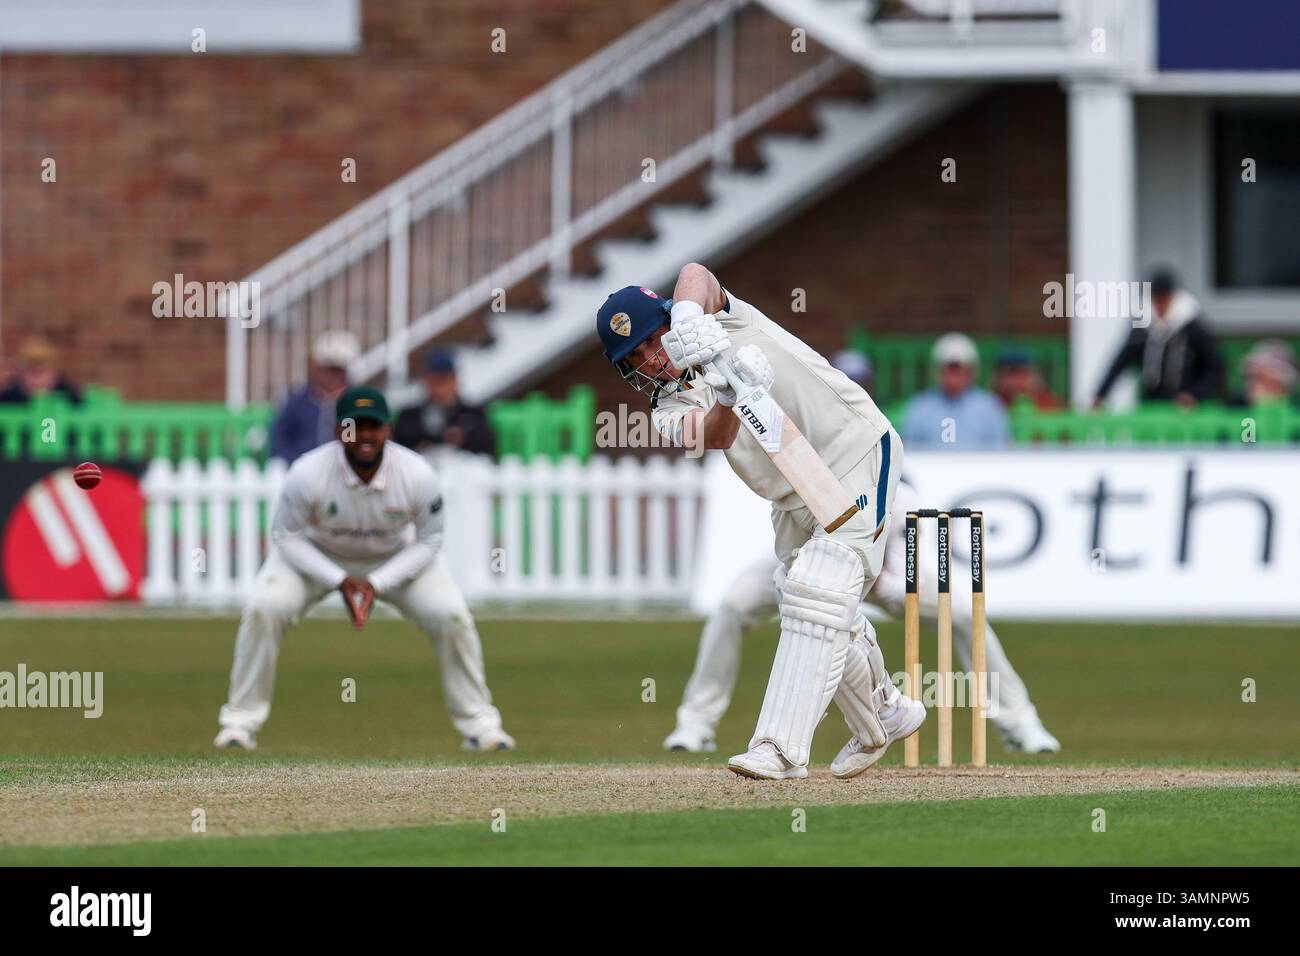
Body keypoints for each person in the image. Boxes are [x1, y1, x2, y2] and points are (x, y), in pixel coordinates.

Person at [595, 265, 922, 781]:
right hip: (794, 494)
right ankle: (884, 710)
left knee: (822, 584)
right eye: (634, 359)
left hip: (856, 449)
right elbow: (714, 436)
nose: (650, 360)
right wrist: (727, 395)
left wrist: (687, 316)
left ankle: (780, 749)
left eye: (649, 343)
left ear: (666, 323)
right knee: (804, 594)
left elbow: (695, 274)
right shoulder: (666, 406)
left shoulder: (721, 320)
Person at [663, 479, 1060, 757]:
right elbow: (791, 552)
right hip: (804, 572)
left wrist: (858, 588)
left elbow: (891, 572)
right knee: (732, 608)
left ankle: (1020, 723)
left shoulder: (898, 496)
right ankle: (696, 723)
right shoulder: (809, 479)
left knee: (962, 615)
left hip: (879, 580)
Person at [215, 385, 514, 752]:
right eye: (355, 426)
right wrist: (340, 581)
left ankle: (480, 726)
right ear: (339, 430)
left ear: (388, 429)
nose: (365, 436)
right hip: (317, 555)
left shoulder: (417, 474)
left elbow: (429, 542)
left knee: (451, 617)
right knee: (265, 608)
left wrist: (376, 583)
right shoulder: (307, 473)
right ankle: (238, 725)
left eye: (373, 426)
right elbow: (285, 535)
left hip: (394, 558)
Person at [1092, 269, 1224, 408]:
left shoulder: (1193, 326)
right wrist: (1101, 394)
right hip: (1153, 403)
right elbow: (1121, 361)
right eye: (1156, 300)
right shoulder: (1143, 326)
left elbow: (1215, 368)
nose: (1161, 306)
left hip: (1190, 408)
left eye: (1164, 300)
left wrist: (1195, 394)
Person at [902, 333, 1010, 449]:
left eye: (958, 368)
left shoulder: (990, 408)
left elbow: (1001, 454)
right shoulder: (920, 408)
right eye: (949, 368)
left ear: (971, 371)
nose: (953, 375)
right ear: (937, 370)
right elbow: (908, 453)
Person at [269, 330, 359, 464]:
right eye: (329, 369)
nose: (333, 376)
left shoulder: (357, 403)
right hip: (303, 470)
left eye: (338, 370)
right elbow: (279, 439)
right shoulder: (297, 400)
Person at [394, 349, 495, 456]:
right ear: (426, 381)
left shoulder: (474, 414)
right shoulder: (409, 416)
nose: (439, 388)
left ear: (455, 381)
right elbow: (399, 443)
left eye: (444, 380)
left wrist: (464, 438)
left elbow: (488, 445)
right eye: (434, 380)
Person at [0, 336, 82, 404]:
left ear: (54, 374)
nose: (36, 381)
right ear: (21, 374)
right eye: (31, 372)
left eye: (41, 372)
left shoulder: (68, 395)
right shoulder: (9, 397)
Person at [1227, 339, 1298, 407]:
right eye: (1251, 377)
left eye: (1261, 378)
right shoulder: (1233, 408)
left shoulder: (1296, 410)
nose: (1252, 385)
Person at [992, 347, 1065, 410]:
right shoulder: (992, 404)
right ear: (998, 377)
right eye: (1011, 373)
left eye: (1023, 372)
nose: (1017, 380)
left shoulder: (1051, 404)